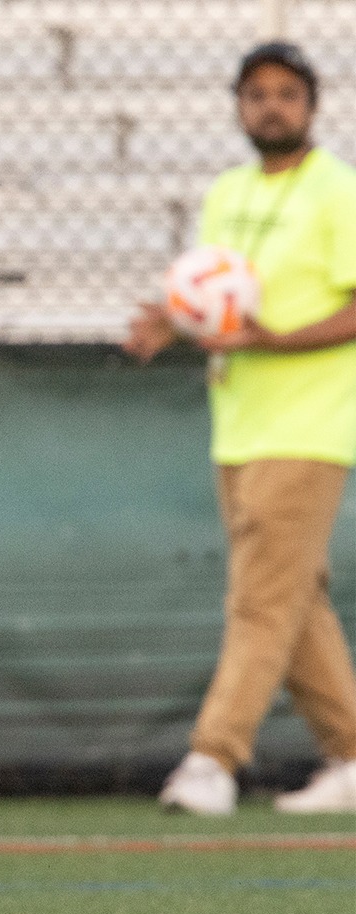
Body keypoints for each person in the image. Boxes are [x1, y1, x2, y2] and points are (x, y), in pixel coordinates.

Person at [124, 41, 356, 816]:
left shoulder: (337, 193)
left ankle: (212, 760)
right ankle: (352, 754)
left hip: (311, 424)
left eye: (287, 93)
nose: (271, 106)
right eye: (256, 93)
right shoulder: (226, 193)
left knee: (260, 599)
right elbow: (219, 305)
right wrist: (170, 324)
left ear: (313, 106)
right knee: (296, 597)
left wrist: (266, 343)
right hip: (240, 425)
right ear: (238, 106)